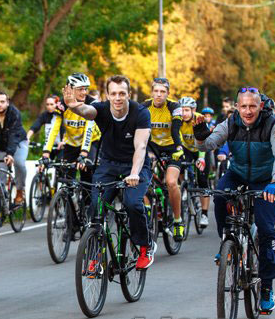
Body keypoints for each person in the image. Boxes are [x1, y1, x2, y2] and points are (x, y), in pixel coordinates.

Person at [193, 86, 275, 314]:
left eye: (252, 106)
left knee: (267, 231)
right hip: (237, 174)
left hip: (265, 180)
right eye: (243, 106)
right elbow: (209, 143)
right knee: (219, 196)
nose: (248, 111)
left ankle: (266, 288)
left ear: (260, 106)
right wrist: (199, 136)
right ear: (237, 106)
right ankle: (226, 241)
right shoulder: (230, 122)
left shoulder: (273, 124)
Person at [63, 74, 154, 269]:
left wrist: (135, 173)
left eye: (122, 93)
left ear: (129, 94)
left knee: (132, 203)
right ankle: (96, 256)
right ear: (107, 95)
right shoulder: (102, 109)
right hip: (108, 164)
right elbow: (88, 111)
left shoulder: (141, 113)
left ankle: (146, 246)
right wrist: (73, 106)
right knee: (96, 207)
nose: (118, 98)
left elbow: (141, 147)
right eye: (113, 94)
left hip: (135, 166)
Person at [42, 73, 101, 194]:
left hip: (90, 142)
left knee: (86, 173)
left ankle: (88, 205)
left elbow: (88, 130)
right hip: (71, 143)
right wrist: (46, 152)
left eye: (86, 89)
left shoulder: (92, 103)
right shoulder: (62, 105)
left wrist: (84, 153)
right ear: (70, 89)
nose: (84, 92)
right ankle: (68, 206)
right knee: (67, 180)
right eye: (80, 89)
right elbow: (54, 129)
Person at [144, 77, 185, 241]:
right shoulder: (145, 106)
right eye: (156, 91)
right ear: (152, 92)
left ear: (168, 94)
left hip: (172, 147)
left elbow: (176, 129)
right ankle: (148, 216)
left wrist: (179, 148)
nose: (159, 95)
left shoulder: (174, 107)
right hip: (152, 148)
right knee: (142, 182)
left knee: (171, 182)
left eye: (163, 92)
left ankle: (177, 221)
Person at [179, 97, 211, 227]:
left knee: (203, 181)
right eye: (182, 110)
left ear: (193, 110)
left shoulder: (199, 119)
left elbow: (204, 140)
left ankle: (204, 214)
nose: (184, 113)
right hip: (187, 148)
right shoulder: (178, 119)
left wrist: (201, 158)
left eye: (187, 110)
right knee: (178, 165)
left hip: (201, 148)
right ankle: (184, 186)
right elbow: (178, 138)